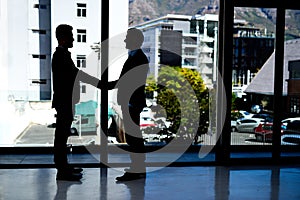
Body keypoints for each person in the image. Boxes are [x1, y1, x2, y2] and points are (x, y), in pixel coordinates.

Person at [52, 24, 100, 181]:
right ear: (64, 38)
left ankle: (64, 167)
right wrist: (100, 84)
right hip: (65, 102)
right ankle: (62, 170)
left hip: (65, 101)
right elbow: (77, 75)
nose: (73, 38)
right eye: (71, 36)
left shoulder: (63, 55)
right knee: (61, 137)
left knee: (62, 136)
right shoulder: (61, 55)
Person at [100, 28, 149, 181]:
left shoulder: (138, 58)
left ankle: (138, 168)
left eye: (127, 38)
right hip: (131, 101)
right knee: (133, 136)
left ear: (135, 40)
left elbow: (128, 81)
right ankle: (137, 166)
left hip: (132, 101)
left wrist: (107, 85)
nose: (125, 40)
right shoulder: (134, 57)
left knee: (134, 137)